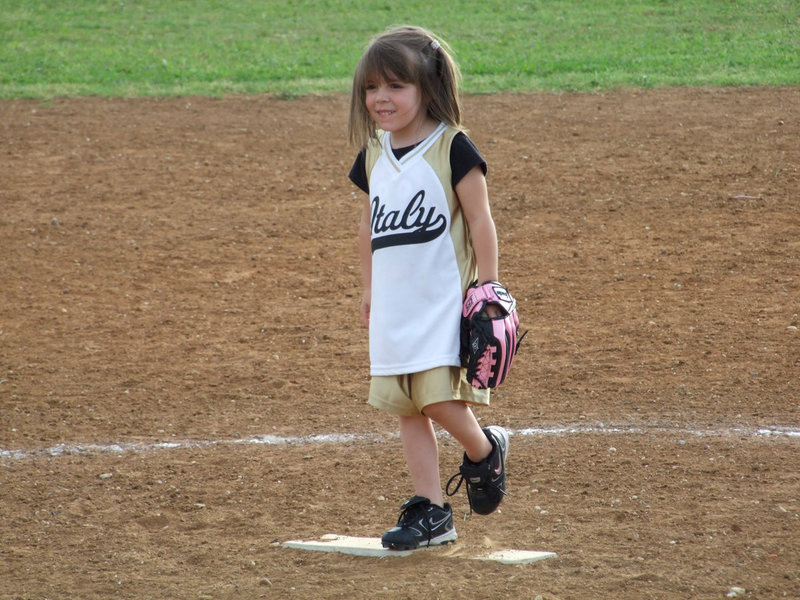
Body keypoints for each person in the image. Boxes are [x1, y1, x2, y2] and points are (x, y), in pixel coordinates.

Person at [347, 25, 509, 551]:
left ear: (427, 87)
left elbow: (480, 220)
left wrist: (488, 287)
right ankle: (433, 510)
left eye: (396, 86)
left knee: (438, 401)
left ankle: (485, 451)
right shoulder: (374, 153)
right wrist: (369, 291)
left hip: (443, 302)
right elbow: (370, 229)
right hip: (395, 304)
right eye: (372, 88)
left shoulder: (452, 146)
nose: (381, 98)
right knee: (407, 409)